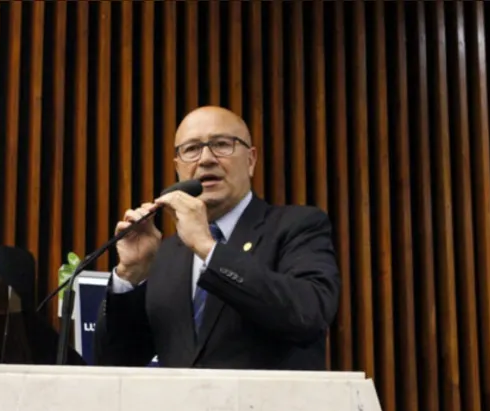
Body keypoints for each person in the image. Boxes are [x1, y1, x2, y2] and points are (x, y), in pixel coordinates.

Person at [94, 106, 341, 371]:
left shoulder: (297, 226)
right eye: (191, 149)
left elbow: (309, 313)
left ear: (251, 160)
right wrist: (130, 275)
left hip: (269, 410)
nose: (206, 159)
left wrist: (208, 249)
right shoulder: (163, 255)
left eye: (222, 144)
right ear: (178, 167)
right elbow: (115, 360)